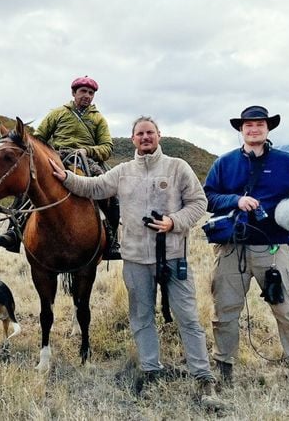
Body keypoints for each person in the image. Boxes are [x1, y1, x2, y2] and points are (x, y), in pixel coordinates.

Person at [49, 116, 222, 405]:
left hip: (173, 256)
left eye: (150, 132)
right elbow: (93, 187)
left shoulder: (178, 167)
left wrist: (173, 222)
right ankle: (151, 370)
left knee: (188, 318)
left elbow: (199, 203)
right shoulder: (122, 172)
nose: (145, 137)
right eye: (140, 133)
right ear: (132, 139)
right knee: (142, 318)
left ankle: (203, 377)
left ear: (159, 135)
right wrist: (65, 177)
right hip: (135, 259)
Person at [203, 105, 289, 384]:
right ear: (241, 130)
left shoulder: (288, 163)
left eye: (259, 124)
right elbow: (207, 197)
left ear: (268, 128)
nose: (253, 129)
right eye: (248, 125)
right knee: (225, 309)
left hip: (275, 247)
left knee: (287, 308)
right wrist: (235, 200)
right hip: (232, 246)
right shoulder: (224, 163)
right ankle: (223, 364)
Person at [0, 76, 120, 259]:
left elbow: (107, 147)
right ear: (73, 93)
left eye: (91, 93)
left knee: (109, 191)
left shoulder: (98, 119)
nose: (87, 96)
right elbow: (37, 139)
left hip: (86, 160)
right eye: (83, 91)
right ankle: (14, 231)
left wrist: (87, 150)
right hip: (56, 157)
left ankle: (112, 240)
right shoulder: (58, 113)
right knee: (29, 183)